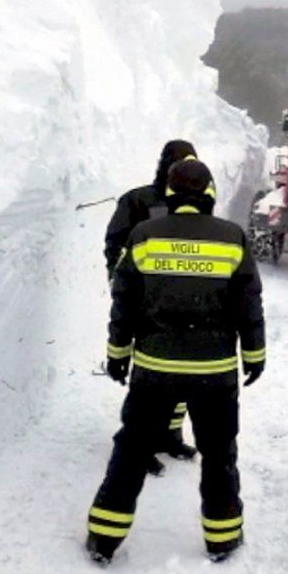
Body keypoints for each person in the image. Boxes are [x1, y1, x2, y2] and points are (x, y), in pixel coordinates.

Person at [86, 158, 266, 566]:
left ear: (169, 193)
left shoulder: (145, 235)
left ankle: (104, 538)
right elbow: (247, 305)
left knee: (131, 451)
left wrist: (118, 354)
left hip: (154, 371)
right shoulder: (232, 237)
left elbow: (124, 302)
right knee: (219, 455)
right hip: (215, 375)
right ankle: (222, 539)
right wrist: (254, 356)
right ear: (209, 194)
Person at [104, 139, 199, 472]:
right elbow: (115, 244)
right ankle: (139, 444)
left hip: (183, 307)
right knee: (148, 379)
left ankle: (170, 436)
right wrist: (122, 284)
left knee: (181, 375)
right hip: (145, 304)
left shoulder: (197, 205)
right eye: (178, 163)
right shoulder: (138, 200)